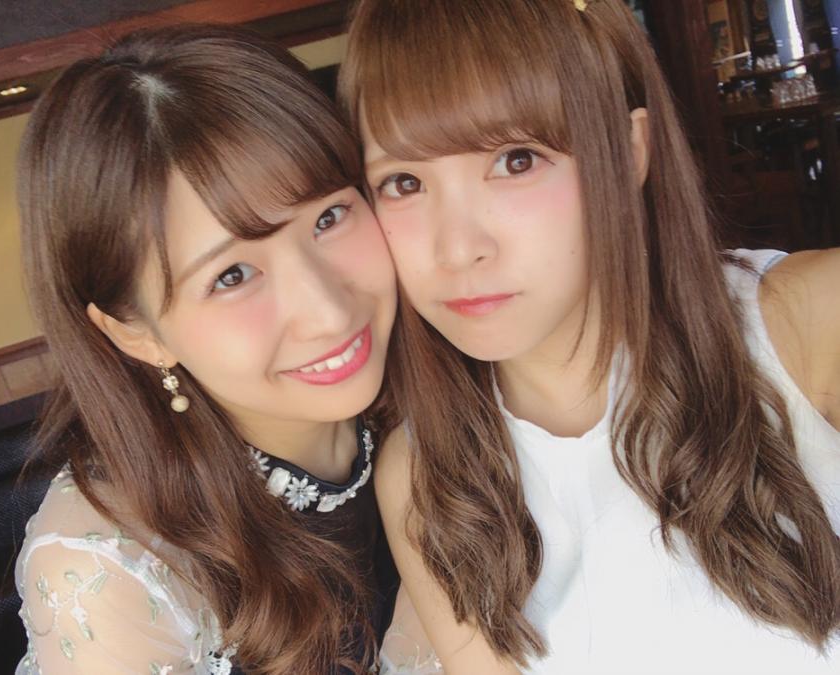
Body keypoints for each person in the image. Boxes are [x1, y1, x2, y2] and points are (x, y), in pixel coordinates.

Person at [338, 1, 840, 673]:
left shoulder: (808, 326)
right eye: (404, 182)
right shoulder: (428, 476)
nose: (457, 248)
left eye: (517, 160)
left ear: (628, 152)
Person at [15, 24, 399, 675]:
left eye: (329, 217)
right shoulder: (113, 569)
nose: (330, 311)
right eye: (232, 275)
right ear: (134, 333)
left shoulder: (445, 383)